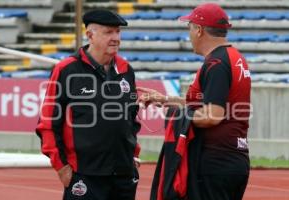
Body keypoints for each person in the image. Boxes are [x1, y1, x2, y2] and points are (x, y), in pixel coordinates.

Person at [137, 3, 251, 200]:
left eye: (189, 27)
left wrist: (176, 117)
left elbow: (212, 116)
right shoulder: (234, 57)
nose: (189, 35)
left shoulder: (216, 63)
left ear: (199, 30)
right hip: (233, 158)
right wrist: (164, 100)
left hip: (215, 162)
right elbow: (204, 103)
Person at [36, 9, 141, 200]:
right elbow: (48, 124)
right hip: (84, 176)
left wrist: (133, 154)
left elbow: (131, 119)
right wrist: (62, 168)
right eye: (108, 32)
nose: (116, 38)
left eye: (118, 32)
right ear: (90, 35)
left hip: (123, 174)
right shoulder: (66, 69)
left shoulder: (126, 70)